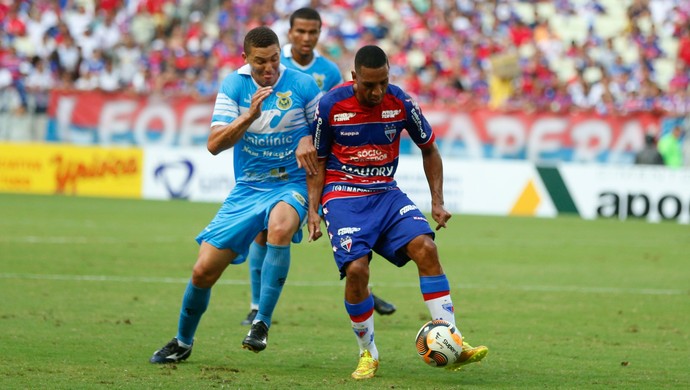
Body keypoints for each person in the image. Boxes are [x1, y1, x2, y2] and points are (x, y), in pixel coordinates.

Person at [305, 45, 488, 380]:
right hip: (342, 196)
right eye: (369, 85)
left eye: (384, 83)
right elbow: (317, 162)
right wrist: (313, 210)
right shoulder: (331, 105)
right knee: (357, 270)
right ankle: (367, 354)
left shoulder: (401, 101)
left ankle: (452, 340)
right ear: (354, 78)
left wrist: (437, 201)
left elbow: (429, 147)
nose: (377, 92)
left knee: (427, 249)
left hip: (386, 193)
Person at [149, 26, 322, 363]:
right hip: (248, 189)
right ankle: (183, 342)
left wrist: (309, 140)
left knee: (280, 227)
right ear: (246, 60)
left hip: (291, 184)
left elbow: (325, 136)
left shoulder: (302, 85)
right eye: (260, 63)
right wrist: (248, 116)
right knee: (203, 271)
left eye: (274, 60)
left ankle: (261, 322)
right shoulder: (234, 86)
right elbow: (214, 144)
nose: (269, 68)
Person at [239, 7, 395, 327]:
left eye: (313, 32)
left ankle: (363, 287)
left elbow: (336, 113)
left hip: (318, 161)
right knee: (263, 232)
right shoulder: (272, 66)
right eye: (300, 32)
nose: (306, 38)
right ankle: (256, 305)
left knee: (346, 229)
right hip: (274, 165)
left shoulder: (329, 71)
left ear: (320, 33)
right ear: (290, 33)